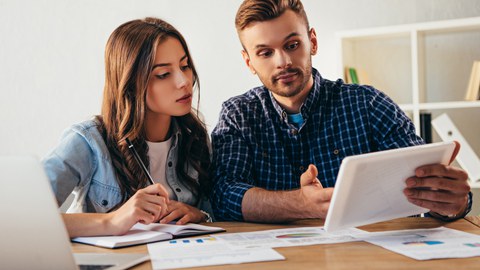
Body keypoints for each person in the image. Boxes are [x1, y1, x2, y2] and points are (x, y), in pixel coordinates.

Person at [211, 0, 472, 223]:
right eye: (265, 53)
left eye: (292, 45)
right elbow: (223, 194)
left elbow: (424, 180)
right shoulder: (238, 115)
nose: (283, 62)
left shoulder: (368, 104)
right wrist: (300, 203)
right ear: (249, 61)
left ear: (312, 41)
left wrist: (453, 203)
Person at [43, 17, 213, 238]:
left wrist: (199, 215)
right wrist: (111, 221)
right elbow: (21, 218)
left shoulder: (195, 138)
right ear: (130, 84)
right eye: (163, 74)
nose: (184, 81)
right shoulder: (88, 141)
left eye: (185, 66)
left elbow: (216, 214)